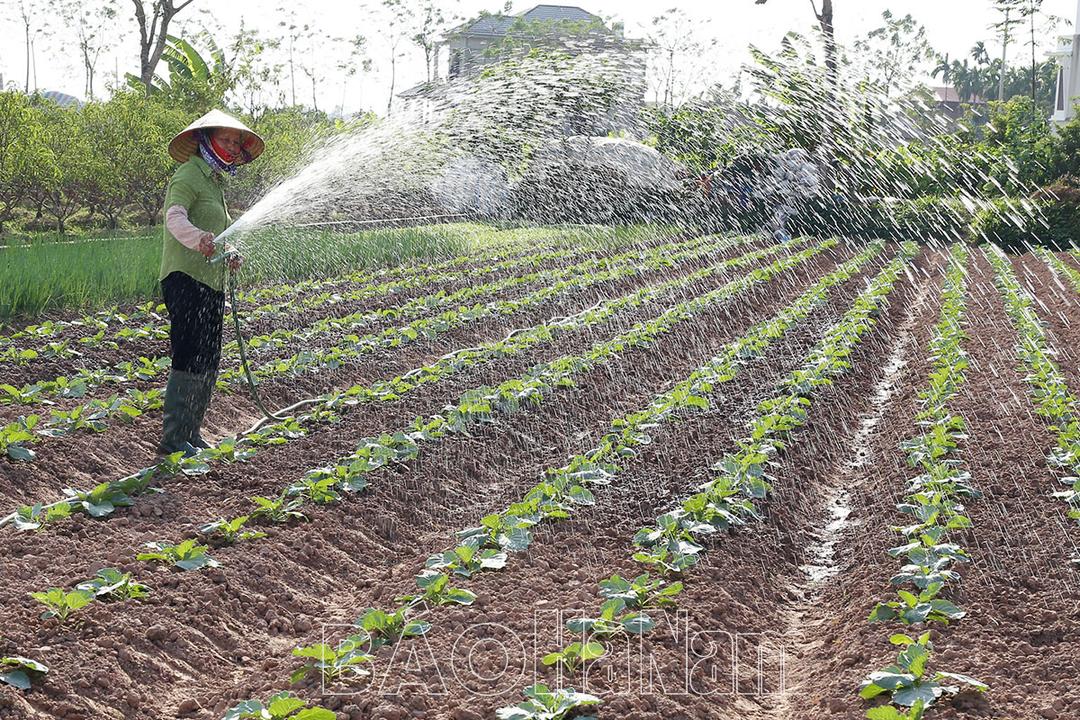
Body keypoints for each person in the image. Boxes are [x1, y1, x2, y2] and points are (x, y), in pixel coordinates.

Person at [158, 110, 264, 456]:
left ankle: (192, 434)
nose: (232, 147)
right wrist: (197, 239)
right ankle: (174, 440)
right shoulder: (188, 175)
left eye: (236, 142)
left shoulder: (215, 183)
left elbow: (219, 234)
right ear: (206, 140)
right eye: (226, 140)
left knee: (208, 358)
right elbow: (174, 218)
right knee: (189, 354)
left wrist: (228, 251)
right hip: (185, 278)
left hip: (211, 282)